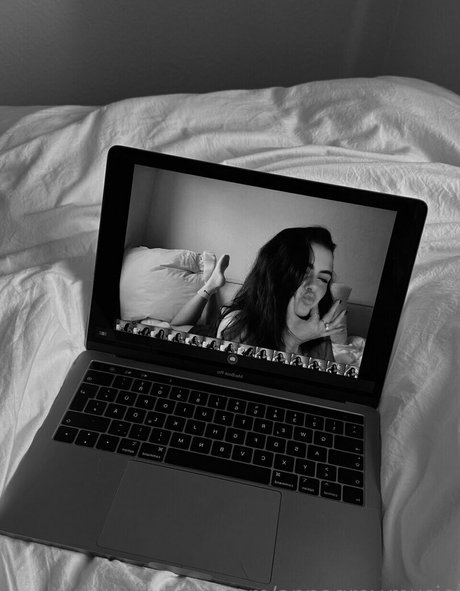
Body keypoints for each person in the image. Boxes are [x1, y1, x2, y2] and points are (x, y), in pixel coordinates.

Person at [171, 226, 346, 361]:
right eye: (303, 273)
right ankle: (211, 285)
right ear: (276, 273)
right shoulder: (239, 326)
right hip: (218, 334)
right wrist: (292, 342)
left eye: (323, 279)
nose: (313, 286)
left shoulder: (319, 335)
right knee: (177, 325)